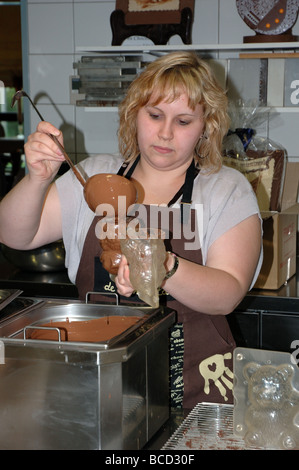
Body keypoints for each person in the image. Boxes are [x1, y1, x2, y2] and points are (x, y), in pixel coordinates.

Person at [0, 51, 262, 409]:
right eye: (154, 115)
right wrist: (36, 180)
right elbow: (14, 234)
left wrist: (160, 266)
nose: (166, 133)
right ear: (133, 113)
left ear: (206, 126)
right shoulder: (93, 177)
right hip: (101, 393)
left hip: (196, 400)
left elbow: (228, 292)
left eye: (183, 121)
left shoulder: (224, 190)